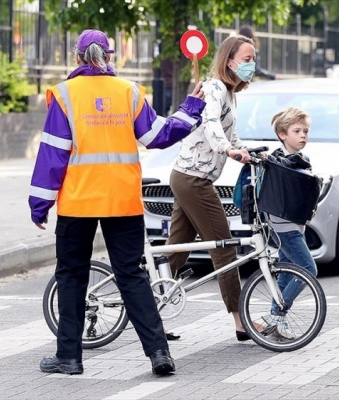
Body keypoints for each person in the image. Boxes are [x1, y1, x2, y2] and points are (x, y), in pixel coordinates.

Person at [28, 29, 206, 376]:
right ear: (110, 56)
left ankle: (70, 357)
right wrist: (190, 109)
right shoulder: (128, 92)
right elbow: (157, 136)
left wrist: (40, 204)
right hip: (122, 201)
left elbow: (52, 155)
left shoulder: (64, 95)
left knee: (71, 276)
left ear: (77, 57)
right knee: (132, 275)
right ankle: (159, 354)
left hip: (79, 203)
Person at [164, 35, 256, 341]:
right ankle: (240, 320)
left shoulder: (230, 93)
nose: (251, 65)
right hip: (194, 179)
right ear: (229, 61)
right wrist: (228, 151)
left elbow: (232, 133)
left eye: (253, 59)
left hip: (187, 176)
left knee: (175, 252)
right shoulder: (214, 87)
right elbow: (210, 123)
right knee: (224, 247)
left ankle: (148, 308)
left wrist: (253, 153)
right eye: (246, 59)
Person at [264, 106, 318, 340]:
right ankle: (277, 314)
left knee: (286, 272)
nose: (303, 135)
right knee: (308, 269)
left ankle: (277, 322)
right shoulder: (279, 162)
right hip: (284, 227)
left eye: (305, 131)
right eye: (297, 131)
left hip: (294, 225)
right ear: (282, 134)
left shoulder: (299, 160)